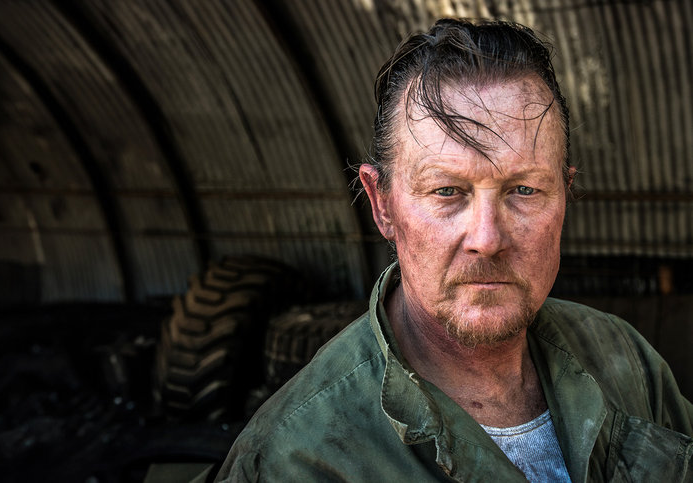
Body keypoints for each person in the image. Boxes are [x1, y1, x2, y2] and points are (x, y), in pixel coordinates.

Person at [214, 18, 693, 482]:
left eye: (524, 190)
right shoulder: (297, 457)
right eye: (447, 191)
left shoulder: (625, 358)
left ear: (565, 197)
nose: (487, 239)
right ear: (383, 205)